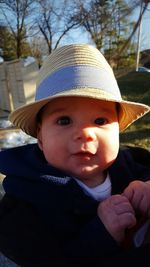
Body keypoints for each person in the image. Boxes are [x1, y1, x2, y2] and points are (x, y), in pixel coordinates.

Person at [0, 44, 150, 267]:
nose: (84, 134)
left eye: (100, 121)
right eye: (64, 121)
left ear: (118, 131)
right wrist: (100, 235)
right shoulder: (24, 206)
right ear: (40, 138)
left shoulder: (135, 166)